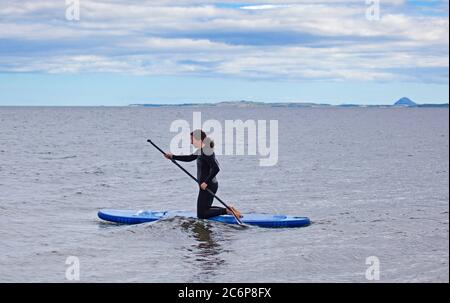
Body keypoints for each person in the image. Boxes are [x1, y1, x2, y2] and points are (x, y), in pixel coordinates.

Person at [164, 129, 241, 219]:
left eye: (192, 140)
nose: (191, 142)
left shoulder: (206, 151)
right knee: (205, 209)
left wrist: (206, 182)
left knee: (201, 214)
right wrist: (173, 156)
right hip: (208, 185)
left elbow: (216, 168)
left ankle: (227, 211)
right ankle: (229, 209)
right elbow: (189, 158)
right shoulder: (202, 150)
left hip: (208, 185)